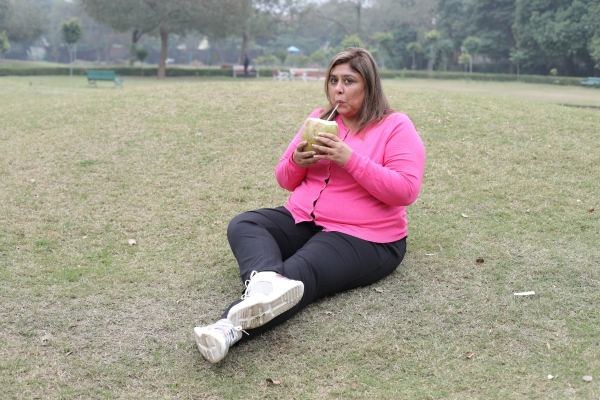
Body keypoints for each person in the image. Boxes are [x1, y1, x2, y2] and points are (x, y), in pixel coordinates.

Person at [193, 47, 425, 364]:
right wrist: (298, 161)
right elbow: (285, 179)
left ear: (369, 86)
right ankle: (265, 283)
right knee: (245, 224)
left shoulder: (395, 126)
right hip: (305, 219)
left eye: (348, 81)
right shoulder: (320, 119)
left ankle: (226, 330)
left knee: (297, 275)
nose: (338, 89)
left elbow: (406, 190)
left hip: (365, 236)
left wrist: (350, 159)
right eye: (333, 80)